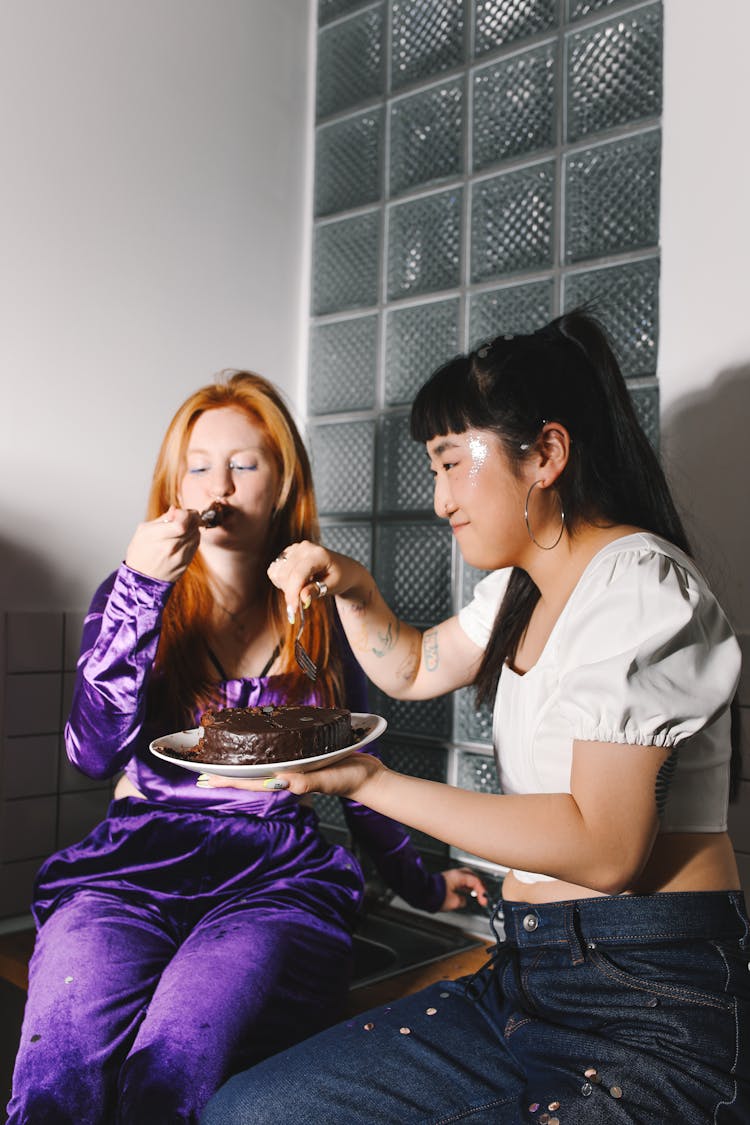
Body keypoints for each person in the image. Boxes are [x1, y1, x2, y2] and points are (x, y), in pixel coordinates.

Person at [201, 313, 749, 1125]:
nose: (439, 500)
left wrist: (368, 781)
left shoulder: (635, 586)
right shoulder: (521, 589)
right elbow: (413, 665)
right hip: (528, 973)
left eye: (453, 463)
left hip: (649, 1005)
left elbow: (605, 851)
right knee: (248, 1109)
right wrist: (346, 580)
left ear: (546, 455)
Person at [6, 371, 485, 1125]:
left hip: (274, 878)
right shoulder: (130, 593)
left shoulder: (321, 612)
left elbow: (355, 764)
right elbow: (93, 754)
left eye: (244, 463)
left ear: (282, 480)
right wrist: (137, 588)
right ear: (174, 482)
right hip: (130, 868)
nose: (218, 483)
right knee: (58, 1066)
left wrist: (423, 883)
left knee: (172, 1063)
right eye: (198, 464)